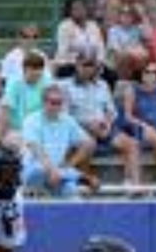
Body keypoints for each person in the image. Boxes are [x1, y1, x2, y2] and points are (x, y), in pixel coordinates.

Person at [60, 52, 141, 186]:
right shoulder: (65, 86)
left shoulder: (102, 85)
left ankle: (132, 186)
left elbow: (111, 111)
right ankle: (84, 187)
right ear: (77, 65)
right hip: (80, 128)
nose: (88, 68)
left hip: (103, 127)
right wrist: (87, 125)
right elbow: (65, 116)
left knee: (132, 144)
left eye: (91, 65)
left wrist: (107, 124)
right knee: (87, 145)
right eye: (85, 65)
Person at [21, 84, 98, 198]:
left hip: (58, 173)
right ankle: (79, 177)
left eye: (59, 103)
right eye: (53, 102)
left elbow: (89, 144)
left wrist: (70, 164)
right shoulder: (31, 120)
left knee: (73, 194)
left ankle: (76, 178)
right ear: (43, 102)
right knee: (40, 170)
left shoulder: (67, 120)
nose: (56, 106)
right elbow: (37, 149)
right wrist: (52, 170)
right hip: (34, 172)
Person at [0, 52, 52, 139]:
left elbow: (53, 107)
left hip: (41, 128)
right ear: (25, 69)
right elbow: (5, 113)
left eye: (40, 69)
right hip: (17, 129)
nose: (37, 72)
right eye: (33, 69)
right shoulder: (14, 82)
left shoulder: (47, 81)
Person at [54, 0, 108, 81]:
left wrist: (99, 61)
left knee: (111, 75)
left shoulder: (93, 25)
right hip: (71, 65)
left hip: (93, 64)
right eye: (75, 9)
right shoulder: (64, 26)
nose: (80, 11)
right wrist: (78, 61)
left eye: (82, 7)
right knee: (67, 72)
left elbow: (101, 47)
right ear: (69, 12)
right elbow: (62, 53)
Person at [106, 2, 152, 81]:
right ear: (119, 16)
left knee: (145, 55)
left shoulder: (136, 28)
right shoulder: (113, 30)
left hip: (135, 62)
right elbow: (116, 51)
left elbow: (149, 35)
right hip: (117, 62)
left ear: (133, 17)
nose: (126, 17)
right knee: (127, 57)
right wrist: (133, 52)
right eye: (123, 14)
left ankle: (137, 82)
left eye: (129, 15)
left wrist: (143, 15)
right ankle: (126, 83)